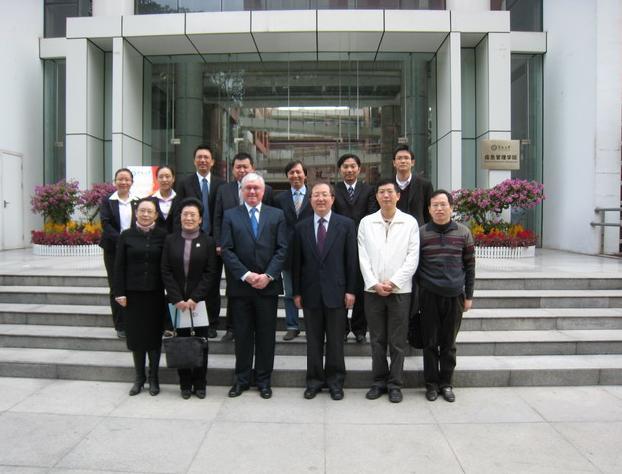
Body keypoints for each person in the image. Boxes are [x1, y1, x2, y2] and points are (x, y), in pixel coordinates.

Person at [221, 172, 288, 399]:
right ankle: (241, 379)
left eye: (256, 188)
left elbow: (282, 249)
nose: (251, 192)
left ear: (263, 191)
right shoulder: (230, 215)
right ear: (241, 190)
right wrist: (247, 275)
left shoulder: (276, 215)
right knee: (242, 336)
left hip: (267, 288)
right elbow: (227, 250)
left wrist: (268, 275)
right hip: (241, 288)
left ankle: (263, 380)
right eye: (247, 188)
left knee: (266, 336)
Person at [293, 182, 357, 401]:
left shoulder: (346, 225)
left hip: (337, 293)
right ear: (310, 200)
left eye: (324, 195)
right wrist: (297, 292)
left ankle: (335, 382)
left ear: (332, 198)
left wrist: (351, 290)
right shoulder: (301, 226)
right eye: (316, 195)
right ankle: (314, 381)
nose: (320, 199)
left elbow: (351, 260)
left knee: (336, 342)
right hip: (310, 293)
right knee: (313, 342)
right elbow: (296, 263)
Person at [358, 179, 420, 403]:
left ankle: (395, 384)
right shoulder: (366, 223)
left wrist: (393, 283)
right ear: (376, 197)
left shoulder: (409, 222)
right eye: (381, 192)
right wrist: (374, 283)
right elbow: (362, 257)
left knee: (397, 341)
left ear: (398, 196)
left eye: (389, 192)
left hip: (400, 291)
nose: (386, 196)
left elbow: (413, 258)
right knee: (377, 339)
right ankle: (378, 382)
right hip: (372, 291)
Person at [417, 190, 475, 403]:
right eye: (435, 205)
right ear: (429, 209)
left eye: (443, 204)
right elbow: (415, 267)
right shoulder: (421, 233)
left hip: (454, 296)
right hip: (429, 295)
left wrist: (469, 295)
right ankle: (431, 385)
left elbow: (470, 266)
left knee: (448, 343)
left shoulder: (463, 233)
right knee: (430, 343)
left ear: (451, 207)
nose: (439, 209)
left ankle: (446, 383)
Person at [161, 198, 219, 399]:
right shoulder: (170, 240)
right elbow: (165, 270)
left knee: (200, 343)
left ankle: (200, 383)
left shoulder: (208, 241)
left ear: (200, 219)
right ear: (180, 217)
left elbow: (211, 273)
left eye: (193, 215)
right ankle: (185, 384)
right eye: (185, 214)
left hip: (199, 303)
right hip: (177, 303)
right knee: (181, 341)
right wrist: (177, 298)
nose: (188, 218)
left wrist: (195, 298)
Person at [213, 152, 274, 342]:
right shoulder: (224, 190)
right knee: (234, 288)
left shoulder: (267, 190)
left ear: (252, 168)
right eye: (238, 167)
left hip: (259, 250)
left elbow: (270, 218)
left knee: (257, 290)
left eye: (245, 166)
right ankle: (232, 327)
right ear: (232, 170)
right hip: (231, 249)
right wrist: (219, 243)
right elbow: (218, 218)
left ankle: (255, 324)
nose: (241, 170)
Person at [113, 198, 168, 396]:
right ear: (136, 213)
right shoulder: (126, 236)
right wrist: (119, 292)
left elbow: (167, 267)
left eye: (149, 211)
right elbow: (118, 266)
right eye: (142, 211)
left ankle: (154, 378)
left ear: (155, 215)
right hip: (132, 295)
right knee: (136, 337)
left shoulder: (163, 236)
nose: (145, 214)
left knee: (154, 337)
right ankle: (139, 378)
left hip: (156, 294)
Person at [175, 145, 225, 338]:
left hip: (214, 243)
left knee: (212, 284)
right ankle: (190, 322)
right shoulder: (185, 183)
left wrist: (220, 241)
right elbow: (178, 213)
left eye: (207, 157)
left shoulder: (221, 184)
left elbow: (223, 215)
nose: (203, 160)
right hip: (189, 240)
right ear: (194, 161)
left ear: (212, 162)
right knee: (193, 282)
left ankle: (212, 323)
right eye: (199, 157)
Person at [332, 153, 378, 343]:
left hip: (363, 244)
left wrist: (357, 233)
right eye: (345, 166)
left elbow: (371, 215)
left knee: (360, 288)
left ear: (359, 169)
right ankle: (342, 328)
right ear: (340, 169)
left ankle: (359, 329)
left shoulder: (368, 190)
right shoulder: (333, 190)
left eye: (353, 166)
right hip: (339, 245)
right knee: (340, 286)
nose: (349, 170)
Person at [273, 160, 313, 341]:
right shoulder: (279, 199)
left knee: (312, 290)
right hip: (288, 253)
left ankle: (313, 326)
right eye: (291, 172)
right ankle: (292, 325)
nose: (295, 175)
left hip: (312, 251)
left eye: (298, 172)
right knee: (289, 292)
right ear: (287, 176)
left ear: (305, 174)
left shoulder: (316, 195)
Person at [99, 168, 139, 338]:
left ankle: (133, 321)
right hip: (113, 249)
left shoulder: (138, 201)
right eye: (120, 179)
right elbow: (106, 224)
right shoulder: (107, 201)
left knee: (132, 285)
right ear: (115, 181)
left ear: (132, 182)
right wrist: (123, 239)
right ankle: (120, 325)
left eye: (127, 179)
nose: (123, 182)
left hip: (132, 250)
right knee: (116, 286)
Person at [392, 144, 433, 225]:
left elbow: (429, 212)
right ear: (394, 163)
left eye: (406, 158)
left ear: (412, 162)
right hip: (393, 232)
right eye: (399, 158)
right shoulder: (387, 185)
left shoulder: (425, 185)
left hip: (418, 232)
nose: (403, 161)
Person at [151, 165, 178, 233]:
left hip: (175, 241)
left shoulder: (180, 200)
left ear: (173, 178)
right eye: (161, 177)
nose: (164, 179)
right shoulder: (149, 201)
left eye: (167, 176)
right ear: (156, 179)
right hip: (155, 240)